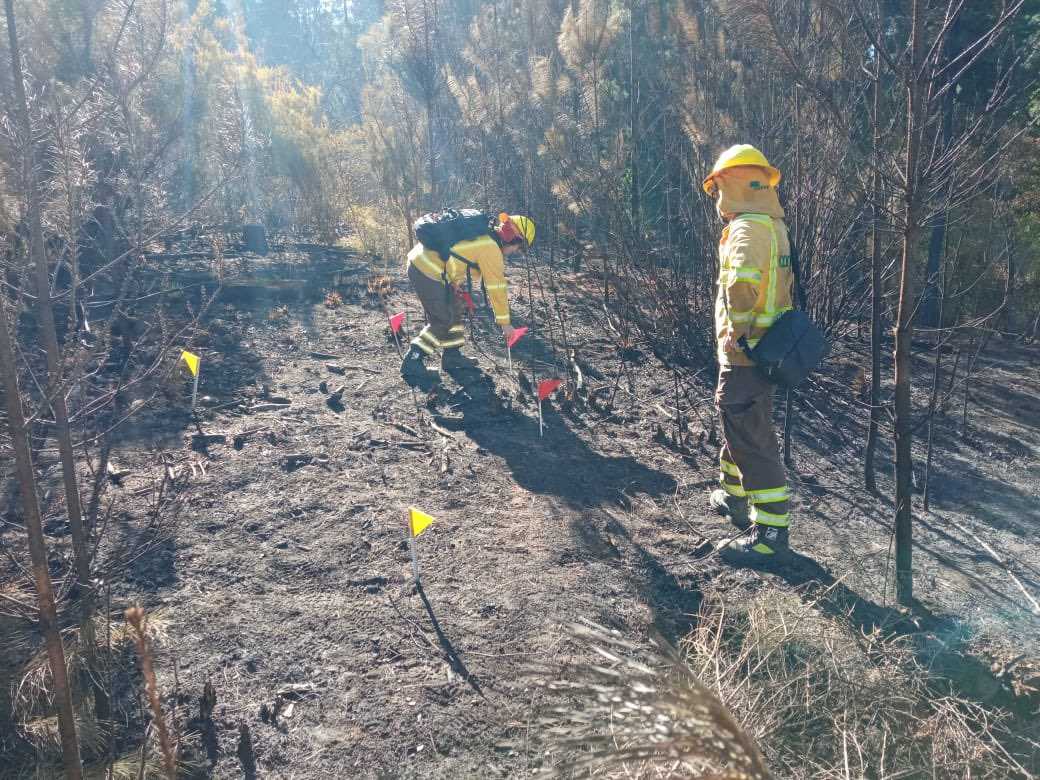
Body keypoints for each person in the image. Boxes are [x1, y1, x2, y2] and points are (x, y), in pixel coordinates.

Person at [702, 145, 795, 563]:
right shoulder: (772, 226)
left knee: (749, 433)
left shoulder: (745, 230)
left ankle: (770, 534)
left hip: (747, 352)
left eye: (718, 186)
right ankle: (733, 495)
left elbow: (741, 285)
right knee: (740, 421)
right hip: (767, 349)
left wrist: (735, 335)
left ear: (730, 184)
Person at [400, 212, 534, 387]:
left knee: (455, 306)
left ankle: (452, 357)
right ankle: (413, 361)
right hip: (426, 268)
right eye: (519, 247)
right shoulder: (491, 248)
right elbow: (496, 288)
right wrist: (505, 323)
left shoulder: (483, 236)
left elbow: (457, 256)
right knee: (443, 320)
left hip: (429, 264)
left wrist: (454, 283)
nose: (515, 252)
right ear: (514, 238)